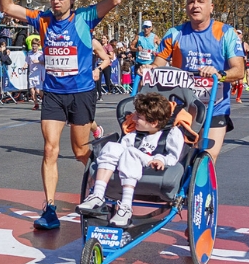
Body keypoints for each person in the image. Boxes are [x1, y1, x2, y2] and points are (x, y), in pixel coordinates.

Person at [0, 0, 120, 230]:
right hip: (53, 94)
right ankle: (50, 208)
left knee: (80, 152)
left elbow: (114, 0)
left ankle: (104, 183)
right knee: (50, 150)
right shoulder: (41, 21)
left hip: (80, 94)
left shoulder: (86, 18)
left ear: (71, 0)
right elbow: (6, 6)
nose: (55, 0)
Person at [152, 0, 246, 160]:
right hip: (183, 107)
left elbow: (239, 70)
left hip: (215, 106)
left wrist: (219, 74)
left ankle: (201, 186)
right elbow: (157, 66)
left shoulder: (226, 33)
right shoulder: (174, 33)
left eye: (200, 2)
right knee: (177, 158)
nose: (195, 5)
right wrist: (148, 69)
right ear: (187, 8)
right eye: (191, 2)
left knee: (206, 158)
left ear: (211, 7)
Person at [75, 91, 184, 226]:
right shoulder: (134, 134)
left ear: (154, 122)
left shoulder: (172, 134)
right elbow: (120, 150)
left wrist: (161, 159)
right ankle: (98, 195)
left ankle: (126, 207)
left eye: (138, 117)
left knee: (130, 152)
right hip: (130, 162)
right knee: (111, 147)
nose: (133, 119)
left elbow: (173, 157)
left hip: (155, 166)